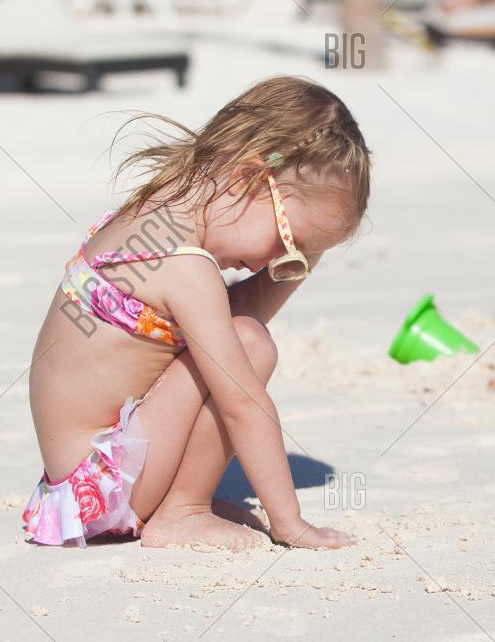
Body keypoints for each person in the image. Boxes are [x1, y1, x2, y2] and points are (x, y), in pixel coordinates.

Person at [23, 77, 369, 551]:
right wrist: (289, 522)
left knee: (237, 333)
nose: (277, 265)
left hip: (76, 489)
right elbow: (242, 403)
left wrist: (302, 253)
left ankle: (175, 503)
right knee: (249, 343)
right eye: (288, 245)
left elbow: (229, 314)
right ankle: (182, 511)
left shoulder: (159, 212)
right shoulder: (185, 266)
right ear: (248, 180)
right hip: (101, 491)